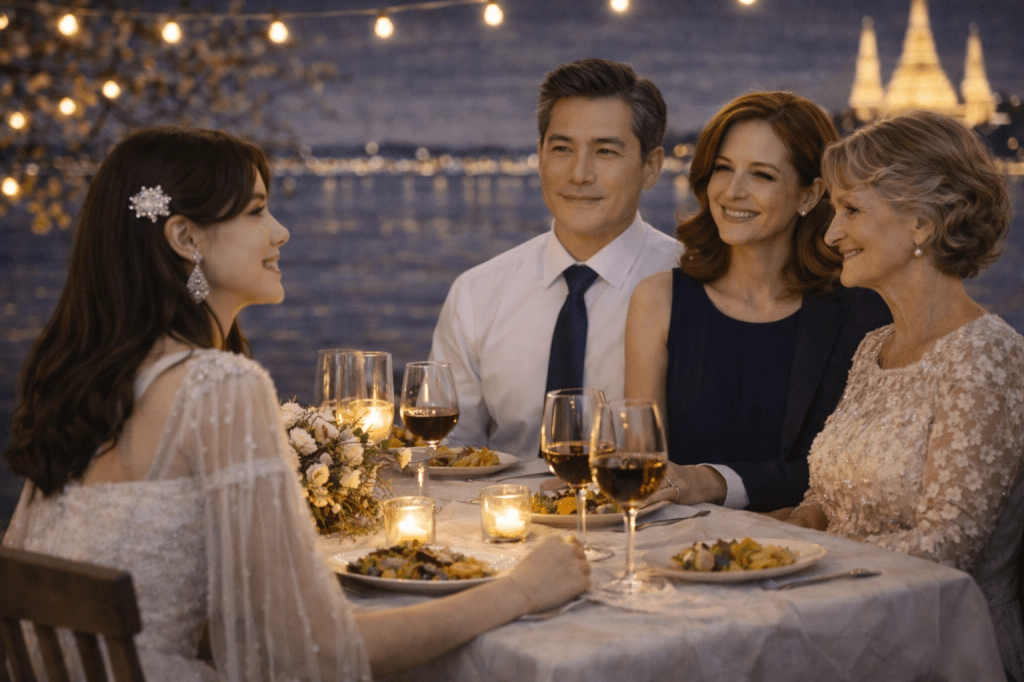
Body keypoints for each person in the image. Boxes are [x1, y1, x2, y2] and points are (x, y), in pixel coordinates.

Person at [1, 126, 590, 682]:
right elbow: (313, 658)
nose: (280, 231)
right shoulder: (216, 388)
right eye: (257, 211)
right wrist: (520, 591)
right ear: (185, 238)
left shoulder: (86, 381)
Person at [783, 111, 1024, 679]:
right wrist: (770, 538)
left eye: (851, 210)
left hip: (943, 649)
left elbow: (947, 547)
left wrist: (806, 561)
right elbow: (827, 499)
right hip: (844, 627)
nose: (831, 233)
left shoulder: (985, 356)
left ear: (921, 222)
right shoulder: (874, 347)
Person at [624, 91, 890, 512]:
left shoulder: (863, 311)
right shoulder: (658, 300)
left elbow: (853, 473)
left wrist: (710, 481)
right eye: (723, 169)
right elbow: (646, 469)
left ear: (808, 195)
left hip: (816, 560)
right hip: (680, 556)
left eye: (762, 175)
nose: (732, 191)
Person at [429, 58, 681, 459]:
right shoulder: (477, 294)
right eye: (562, 149)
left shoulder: (691, 282)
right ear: (541, 156)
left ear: (651, 167)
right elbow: (452, 449)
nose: (579, 174)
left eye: (605, 151)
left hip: (651, 516)